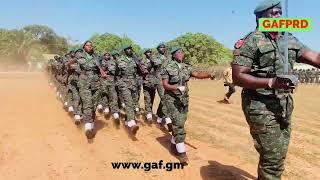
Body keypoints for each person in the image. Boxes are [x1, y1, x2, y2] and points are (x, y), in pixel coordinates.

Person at [231, 0, 320, 179]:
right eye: (274, 13)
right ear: (261, 17)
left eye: (281, 13)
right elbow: (238, 76)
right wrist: (271, 82)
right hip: (259, 104)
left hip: (284, 104)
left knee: (278, 153)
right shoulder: (251, 40)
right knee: (273, 158)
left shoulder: (289, 38)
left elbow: (316, 58)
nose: (279, 16)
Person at [161, 46, 214, 165]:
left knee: (181, 121)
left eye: (181, 52)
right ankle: (181, 152)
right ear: (173, 55)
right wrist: (176, 87)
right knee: (178, 124)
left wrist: (208, 74)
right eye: (177, 52)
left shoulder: (186, 67)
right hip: (171, 99)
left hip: (184, 99)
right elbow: (165, 85)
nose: (180, 54)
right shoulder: (167, 66)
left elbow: (196, 74)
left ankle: (174, 144)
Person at [67, 41, 101, 139]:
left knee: (94, 105)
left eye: (91, 45)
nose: (89, 47)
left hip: (95, 83)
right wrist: (70, 67)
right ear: (84, 47)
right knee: (87, 104)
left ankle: (91, 122)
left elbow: (100, 69)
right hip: (84, 83)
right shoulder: (80, 56)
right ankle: (87, 127)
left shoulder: (96, 57)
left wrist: (102, 74)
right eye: (87, 45)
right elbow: (70, 63)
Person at [116, 45, 145, 136]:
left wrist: (139, 64)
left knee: (133, 102)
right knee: (128, 102)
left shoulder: (135, 60)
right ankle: (132, 123)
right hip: (124, 84)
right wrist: (120, 82)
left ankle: (127, 119)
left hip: (133, 84)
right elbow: (117, 73)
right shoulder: (120, 60)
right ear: (124, 51)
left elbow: (140, 72)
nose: (129, 50)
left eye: (130, 49)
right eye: (127, 49)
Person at [99, 52, 120, 123]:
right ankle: (106, 108)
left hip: (111, 80)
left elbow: (116, 71)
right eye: (105, 55)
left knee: (113, 95)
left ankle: (115, 111)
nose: (107, 56)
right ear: (103, 56)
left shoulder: (113, 62)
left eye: (108, 55)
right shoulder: (100, 62)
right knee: (104, 94)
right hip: (103, 80)